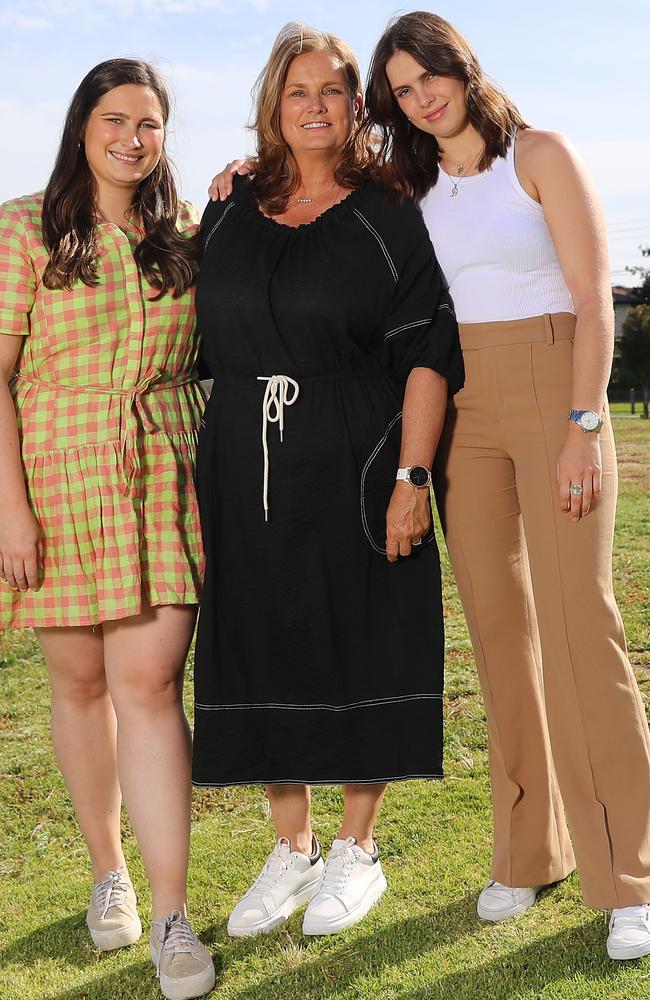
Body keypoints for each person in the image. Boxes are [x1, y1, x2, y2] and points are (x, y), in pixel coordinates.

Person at [361, 10, 650, 961]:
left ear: (462, 66)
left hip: (557, 386)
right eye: (401, 88)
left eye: (428, 74)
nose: (421, 95)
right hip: (467, 409)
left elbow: (593, 291)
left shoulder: (541, 155)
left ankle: (630, 876)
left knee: (581, 626)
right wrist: (233, 181)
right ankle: (531, 853)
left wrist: (584, 424)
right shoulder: (414, 184)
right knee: (499, 633)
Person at [192, 22, 463, 939]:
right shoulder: (225, 208)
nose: (315, 106)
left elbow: (429, 350)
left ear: (358, 106)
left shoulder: (392, 210)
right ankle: (293, 847)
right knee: (266, 634)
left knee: (364, 633)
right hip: (242, 460)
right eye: (297, 91)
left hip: (361, 451)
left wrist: (413, 477)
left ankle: (358, 848)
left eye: (333, 91)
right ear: (274, 103)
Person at [0, 59, 215, 999]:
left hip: (162, 469)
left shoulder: (188, 241)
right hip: (53, 476)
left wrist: (241, 190)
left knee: (151, 681)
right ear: (82, 125)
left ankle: (173, 915)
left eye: (151, 124)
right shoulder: (23, 230)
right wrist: (10, 509)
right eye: (115, 119)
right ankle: (108, 873)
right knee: (81, 683)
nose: (133, 138)